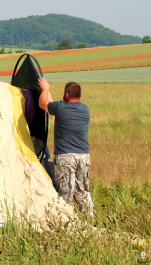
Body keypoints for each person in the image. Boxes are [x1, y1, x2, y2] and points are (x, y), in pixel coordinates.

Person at [38, 77, 94, 215]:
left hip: (66, 157)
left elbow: (43, 104)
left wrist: (45, 88)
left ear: (67, 94)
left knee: (66, 192)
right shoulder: (85, 109)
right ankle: (89, 218)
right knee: (83, 191)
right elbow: (52, 104)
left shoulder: (60, 108)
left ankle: (67, 221)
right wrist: (48, 92)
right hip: (84, 156)